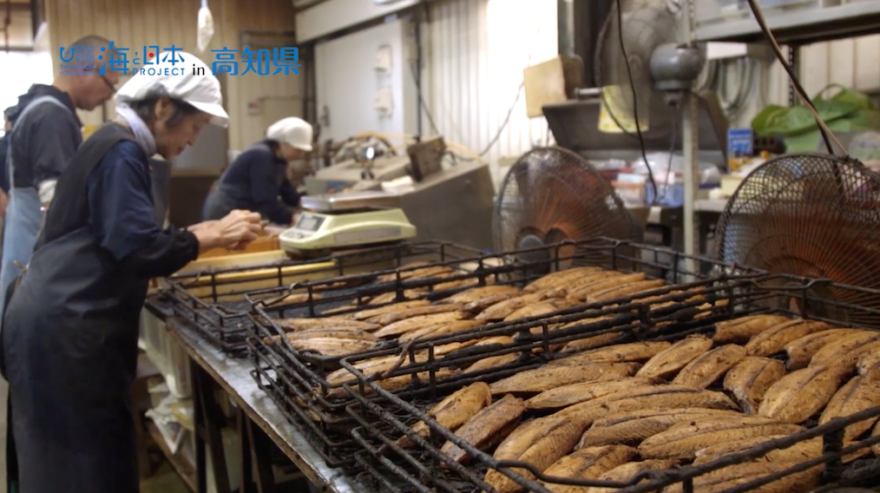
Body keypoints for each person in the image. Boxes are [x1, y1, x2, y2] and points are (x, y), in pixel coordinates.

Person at [0, 51, 264, 492]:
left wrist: (195, 231)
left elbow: (119, 232)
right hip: (68, 331)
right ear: (162, 107)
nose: (194, 141)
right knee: (82, 465)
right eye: (194, 127)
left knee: (69, 457)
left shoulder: (114, 142)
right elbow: (137, 248)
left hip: (59, 322)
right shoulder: (120, 151)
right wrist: (208, 237)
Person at [0, 34, 122, 318]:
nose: (110, 94)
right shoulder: (51, 116)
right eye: (109, 84)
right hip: (37, 255)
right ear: (83, 71)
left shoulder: (39, 107)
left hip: (26, 245)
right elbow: (55, 201)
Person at [201, 117, 313, 225]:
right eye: (297, 150)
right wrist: (290, 218)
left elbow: (286, 189)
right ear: (282, 143)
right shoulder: (261, 156)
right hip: (225, 210)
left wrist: (304, 204)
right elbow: (265, 199)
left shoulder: (279, 159)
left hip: (239, 210)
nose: (300, 155)